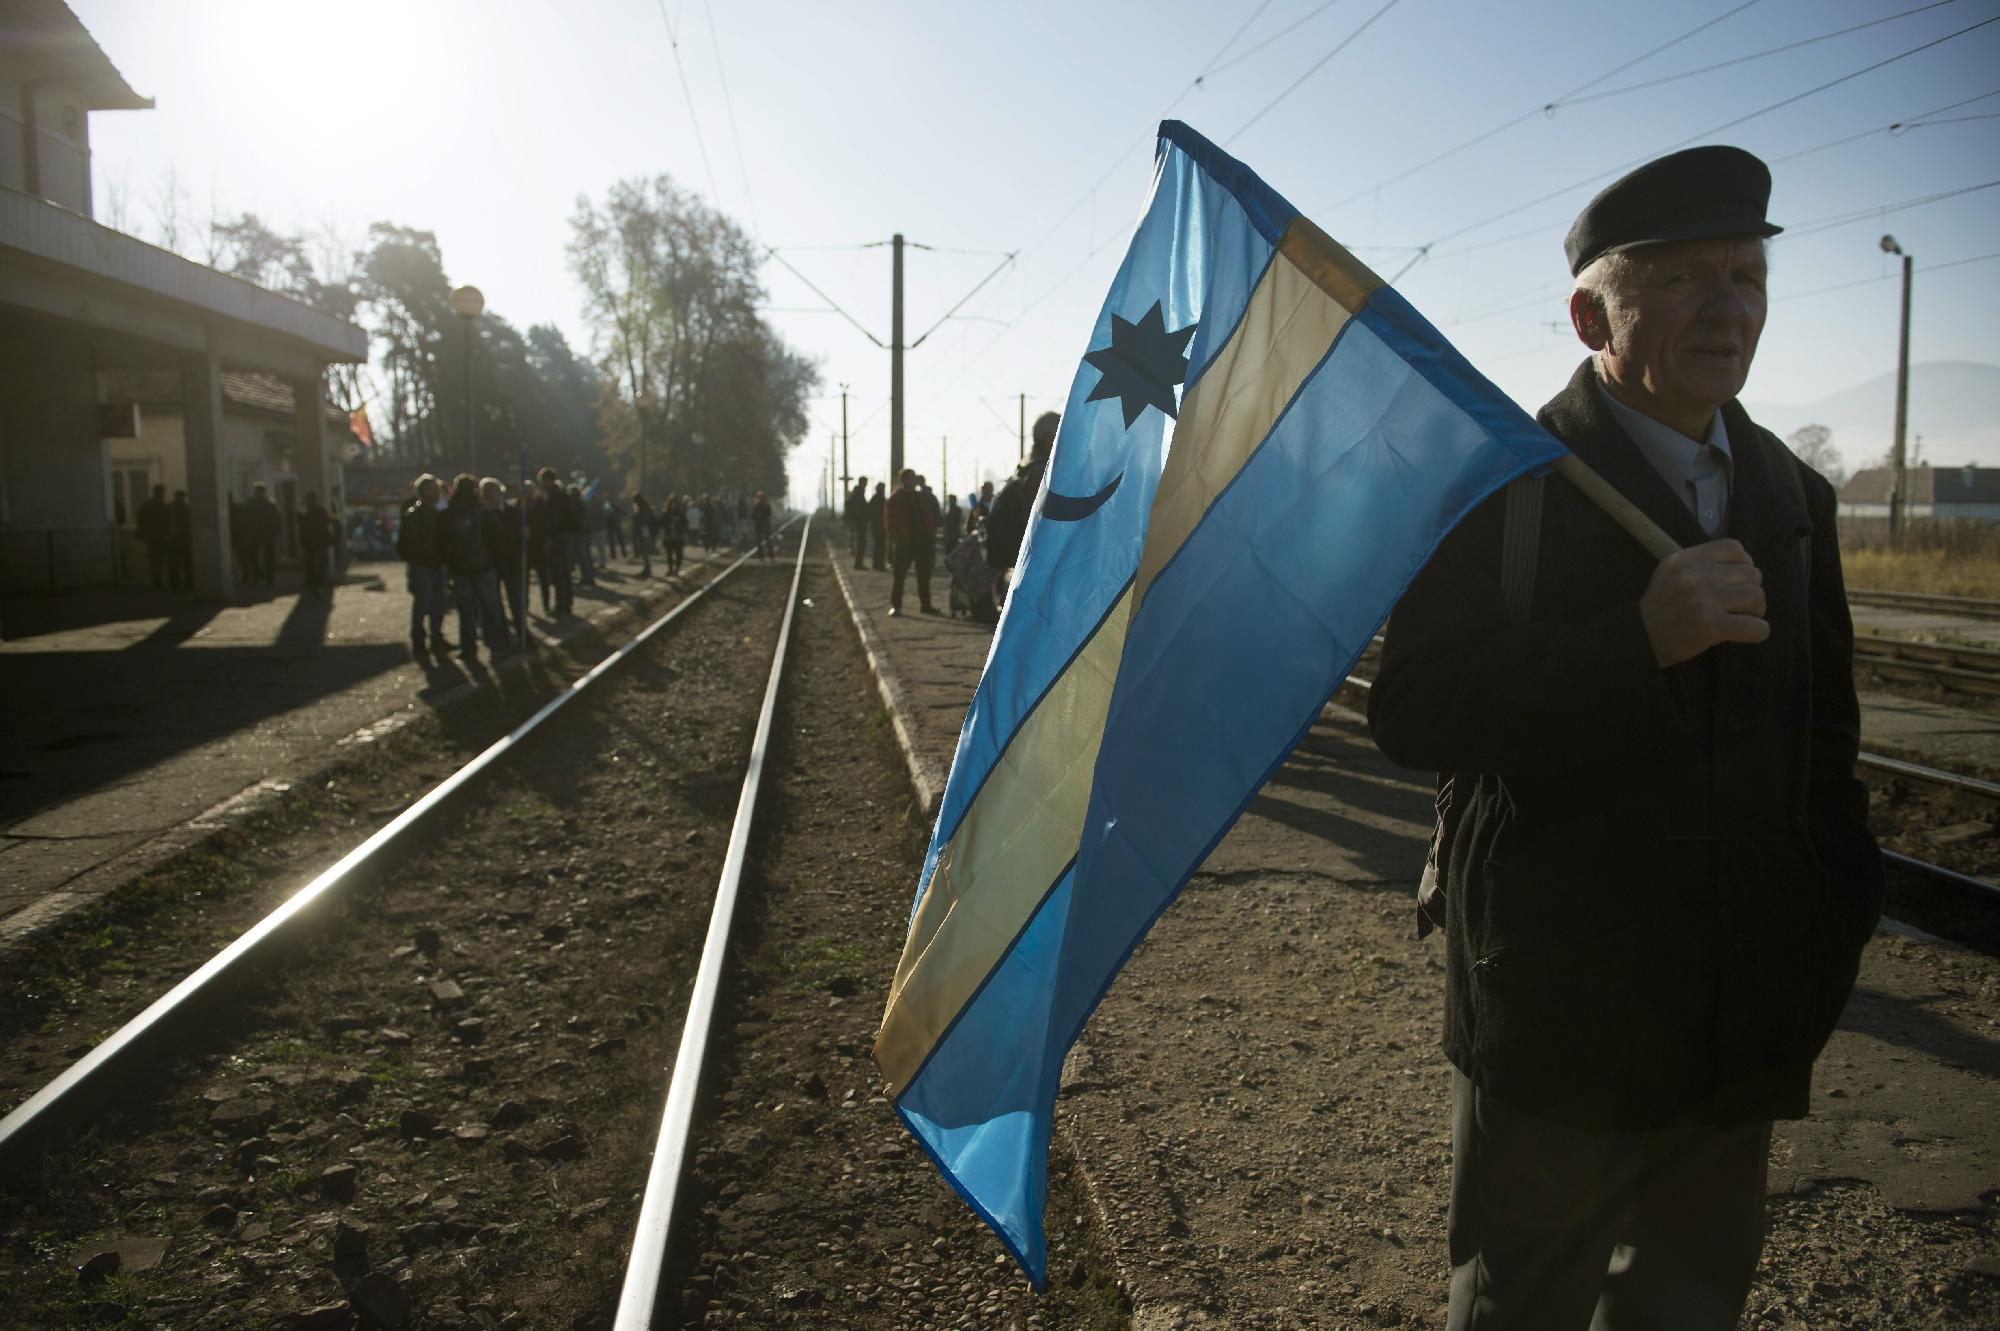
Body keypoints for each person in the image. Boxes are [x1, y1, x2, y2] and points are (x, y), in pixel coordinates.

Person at [1366, 146, 1881, 1331]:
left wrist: (1827, 914)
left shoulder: (1792, 498)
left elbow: (1824, 740)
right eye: (1683, 278)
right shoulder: (1503, 485)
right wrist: (1631, 642)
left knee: (1688, 1304)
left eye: (1745, 276)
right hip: (1561, 1010)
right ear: (1590, 317)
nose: (1727, 307)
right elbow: (1413, 706)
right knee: (1519, 1303)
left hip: (1739, 1007)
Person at [986, 412, 1058, 603]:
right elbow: (1042, 524)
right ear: (1048, 438)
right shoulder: (1040, 472)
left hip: (1022, 562)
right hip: (1035, 565)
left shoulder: (1026, 466)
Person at [439, 473, 508, 664]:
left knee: (465, 611)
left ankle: (468, 649)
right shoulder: (483, 511)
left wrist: (451, 563)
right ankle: (496, 646)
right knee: (490, 608)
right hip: (484, 566)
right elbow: (497, 537)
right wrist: (492, 559)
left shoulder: (449, 513)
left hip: (460, 569)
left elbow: (442, 542)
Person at [396, 473, 448, 655]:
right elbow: (412, 542)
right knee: (423, 604)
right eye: (432, 489)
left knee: (438, 604)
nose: (436, 492)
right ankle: (419, 642)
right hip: (423, 565)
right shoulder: (415, 513)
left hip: (437, 563)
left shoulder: (437, 512)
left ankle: (436, 638)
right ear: (424, 491)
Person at [883, 468, 938, 617]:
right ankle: (896, 606)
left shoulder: (920, 497)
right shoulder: (896, 498)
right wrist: (898, 538)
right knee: (899, 575)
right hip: (905, 542)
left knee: (924, 575)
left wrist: (930, 535)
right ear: (905, 480)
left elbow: (928, 516)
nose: (915, 481)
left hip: (922, 541)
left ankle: (926, 605)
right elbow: (889, 520)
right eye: (912, 478)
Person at [484, 477, 530, 645]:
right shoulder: (483, 514)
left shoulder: (512, 512)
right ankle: (503, 636)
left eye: (494, 490)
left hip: (512, 562)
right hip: (493, 563)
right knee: (496, 603)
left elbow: (520, 534)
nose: (492, 495)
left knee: (517, 600)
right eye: (487, 492)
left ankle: (523, 634)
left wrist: (524, 534)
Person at [537, 467, 575, 617]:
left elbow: (552, 520)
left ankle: (561, 605)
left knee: (558, 572)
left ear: (547, 480)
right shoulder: (563, 494)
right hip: (565, 536)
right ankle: (567, 602)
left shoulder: (553, 497)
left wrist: (549, 538)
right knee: (564, 572)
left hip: (557, 537)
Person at [244, 482, 281, 586]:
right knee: (254, 555)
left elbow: (276, 518)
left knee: (267, 556)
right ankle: (259, 576)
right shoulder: (253, 503)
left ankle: (267, 577)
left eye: (260, 491)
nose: (259, 493)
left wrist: (276, 531)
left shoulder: (269, 503)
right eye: (258, 491)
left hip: (265, 533)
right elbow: (245, 517)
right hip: (256, 533)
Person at [135, 484, 170, 590]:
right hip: (160, 536)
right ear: (161, 493)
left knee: (153, 558)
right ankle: (158, 581)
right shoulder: (163, 506)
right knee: (159, 559)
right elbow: (166, 522)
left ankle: (156, 580)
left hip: (150, 536)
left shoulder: (146, 505)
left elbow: (140, 520)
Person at [298, 491, 333, 596]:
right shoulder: (319, 510)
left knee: (312, 561)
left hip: (311, 540)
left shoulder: (305, 510)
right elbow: (327, 521)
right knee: (319, 561)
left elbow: (299, 522)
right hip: (317, 540)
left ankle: (312, 580)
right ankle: (317, 580)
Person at [166, 490, 194, 593]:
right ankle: (189, 583)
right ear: (183, 497)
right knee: (187, 562)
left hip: (172, 538)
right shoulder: (186, 508)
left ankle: (174, 584)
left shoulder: (169, 507)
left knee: (173, 562)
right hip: (184, 538)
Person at [846, 477, 870, 568]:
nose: (867, 484)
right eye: (866, 482)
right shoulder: (859, 493)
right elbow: (860, 508)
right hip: (859, 521)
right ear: (863, 482)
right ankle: (858, 564)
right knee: (861, 543)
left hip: (858, 521)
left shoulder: (857, 492)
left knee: (860, 542)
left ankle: (859, 563)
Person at [632, 494, 655, 578]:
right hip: (645, 530)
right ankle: (647, 568)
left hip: (644, 530)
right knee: (644, 551)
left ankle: (647, 569)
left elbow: (642, 520)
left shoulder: (643, 508)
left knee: (644, 551)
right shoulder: (645, 507)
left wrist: (635, 517)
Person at [867, 481, 887, 571]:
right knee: (881, 545)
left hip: (874, 524)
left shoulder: (874, 498)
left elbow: (869, 511)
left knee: (877, 544)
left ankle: (876, 564)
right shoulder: (881, 498)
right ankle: (880, 565)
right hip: (881, 525)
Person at [752, 490, 775, 561]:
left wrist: (761, 514)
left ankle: (771, 555)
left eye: (761, 497)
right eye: (759, 497)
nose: (760, 498)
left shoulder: (766, 505)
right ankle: (761, 556)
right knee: (759, 541)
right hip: (758, 526)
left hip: (765, 525)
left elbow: (769, 513)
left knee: (768, 540)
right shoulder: (756, 506)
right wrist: (756, 516)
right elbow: (752, 516)